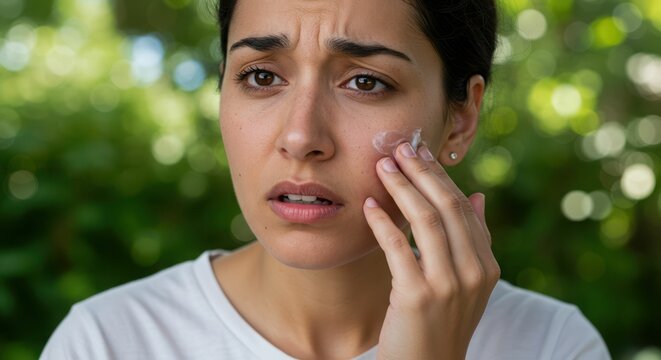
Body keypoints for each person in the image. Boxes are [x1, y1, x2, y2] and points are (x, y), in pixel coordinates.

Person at [41, 0, 611, 359]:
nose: (300, 135)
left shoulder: (551, 344)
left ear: (460, 118)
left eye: (365, 82)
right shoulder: (107, 342)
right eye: (261, 75)